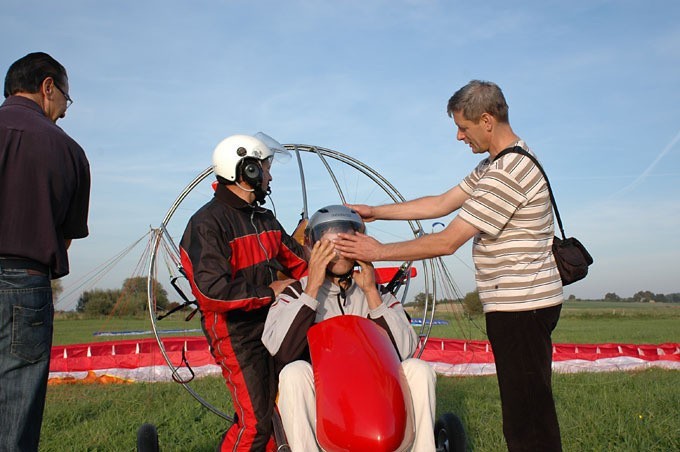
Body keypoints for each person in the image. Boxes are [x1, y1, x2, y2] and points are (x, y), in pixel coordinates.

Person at [334, 80, 564, 452]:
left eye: (463, 127)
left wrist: (377, 251)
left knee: (527, 420)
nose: (459, 136)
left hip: (523, 307)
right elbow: (441, 203)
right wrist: (377, 212)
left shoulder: (508, 173)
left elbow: (448, 240)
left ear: (487, 120)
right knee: (523, 410)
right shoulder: (494, 165)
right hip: (516, 306)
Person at [262, 204, 437, 451]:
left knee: (418, 369)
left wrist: (371, 294)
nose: (339, 252)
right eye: (330, 243)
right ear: (313, 246)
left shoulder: (377, 293)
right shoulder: (295, 292)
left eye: (347, 242)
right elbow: (281, 350)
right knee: (294, 373)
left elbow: (406, 350)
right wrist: (312, 289)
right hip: (327, 402)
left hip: (375, 397)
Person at [179, 133, 307, 451]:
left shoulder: (263, 219)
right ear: (247, 170)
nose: (270, 175)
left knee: (284, 412)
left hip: (275, 328)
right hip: (236, 336)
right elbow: (212, 291)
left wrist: (341, 262)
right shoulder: (206, 224)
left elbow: (301, 263)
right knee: (255, 425)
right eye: (265, 167)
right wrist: (268, 291)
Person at [0, 52, 91, 451]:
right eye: (65, 100)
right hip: (26, 284)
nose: (65, 113)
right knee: (16, 412)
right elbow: (66, 237)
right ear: (47, 86)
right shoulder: (68, 151)